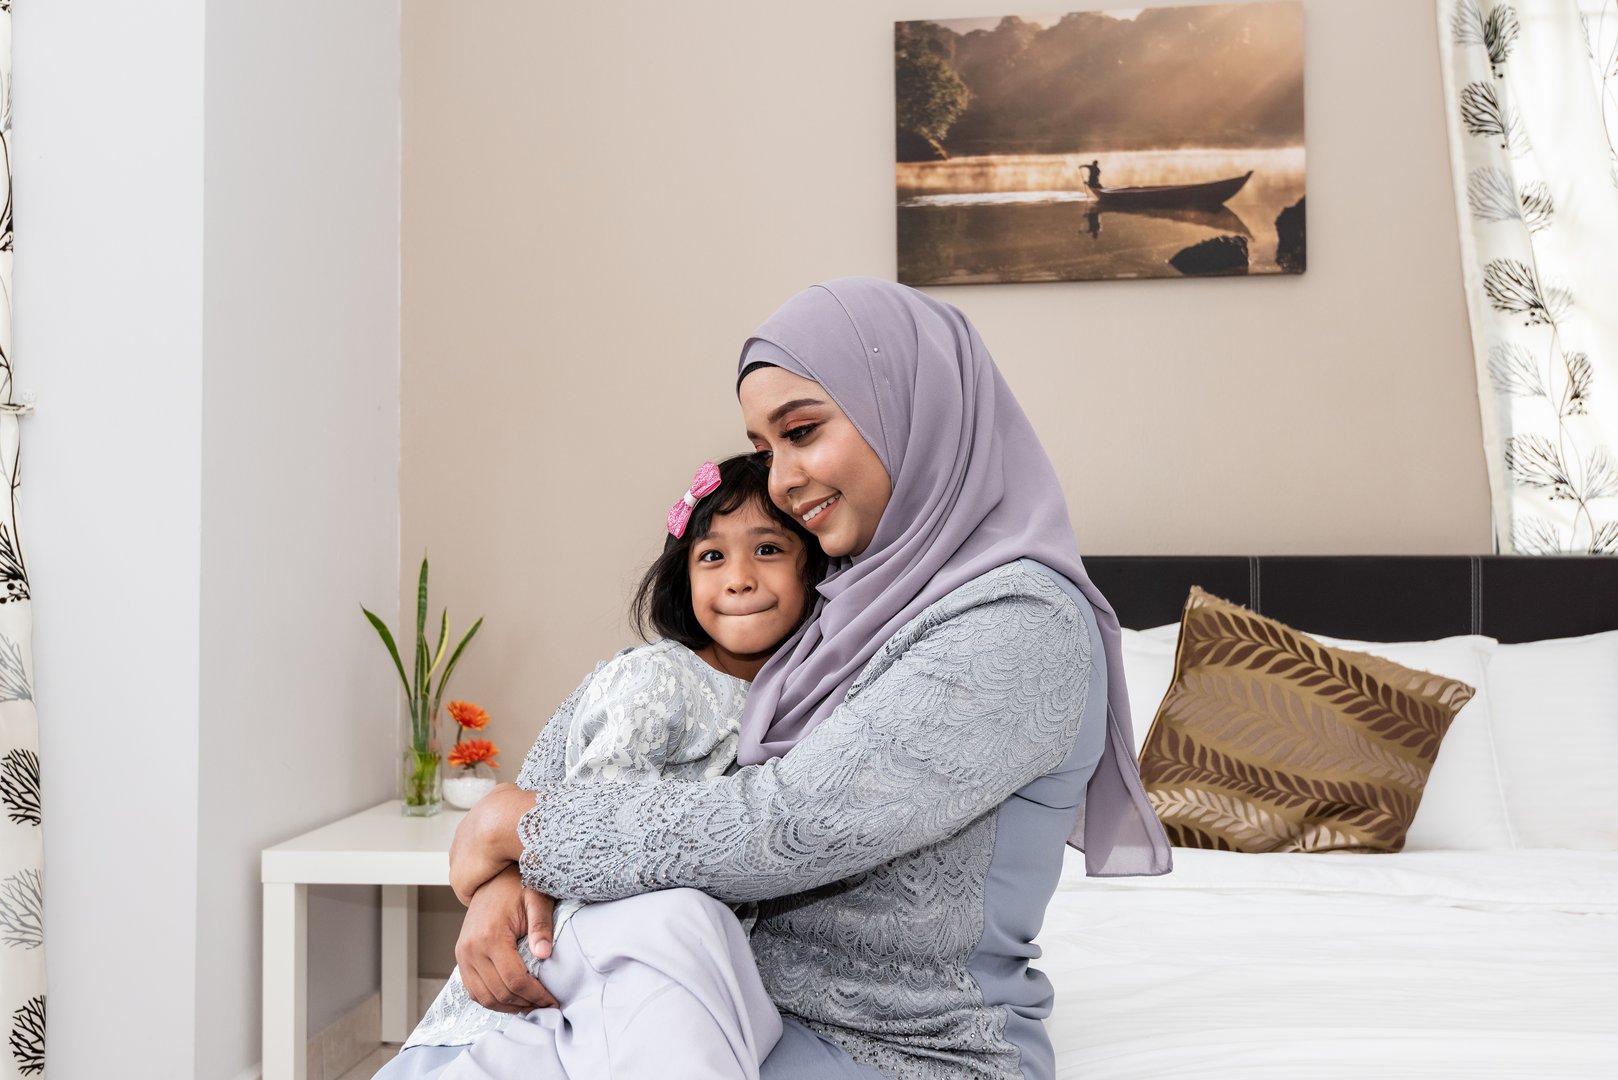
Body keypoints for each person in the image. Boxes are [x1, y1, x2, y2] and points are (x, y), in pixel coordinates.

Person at [387, 277, 1172, 1080]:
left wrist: (523, 829)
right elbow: (628, 745)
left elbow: (789, 825)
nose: (782, 480)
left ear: (910, 407)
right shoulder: (847, 602)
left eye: (801, 432)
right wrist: (511, 876)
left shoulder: (1021, 622)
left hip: (895, 1050)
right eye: (766, 451)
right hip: (718, 1002)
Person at [389, 452, 826, 1078]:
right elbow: (594, 823)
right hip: (594, 928)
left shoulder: (796, 695)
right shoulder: (661, 678)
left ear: (813, 565)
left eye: (767, 549)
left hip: (690, 954)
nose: (738, 578)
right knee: (685, 926)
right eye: (712, 556)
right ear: (684, 575)